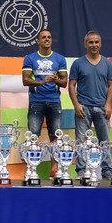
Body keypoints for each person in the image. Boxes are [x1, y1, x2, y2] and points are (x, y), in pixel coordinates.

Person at [68, 30, 112, 179]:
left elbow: (111, 85)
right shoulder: (77, 63)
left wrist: (108, 104)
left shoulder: (107, 63)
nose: (94, 45)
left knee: (105, 142)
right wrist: (76, 105)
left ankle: (107, 172)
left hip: (102, 108)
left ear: (100, 44)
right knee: (81, 142)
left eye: (96, 42)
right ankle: (81, 172)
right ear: (85, 44)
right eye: (91, 42)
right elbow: (71, 85)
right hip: (83, 108)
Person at [22, 29, 67, 177]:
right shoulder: (30, 58)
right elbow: (25, 80)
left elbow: (64, 82)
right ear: (38, 41)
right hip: (36, 101)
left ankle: (54, 168)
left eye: (49, 37)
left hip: (54, 101)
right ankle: (31, 168)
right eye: (43, 37)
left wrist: (55, 80)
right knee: (33, 135)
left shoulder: (60, 59)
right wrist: (41, 81)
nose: (47, 39)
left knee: (55, 136)